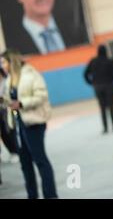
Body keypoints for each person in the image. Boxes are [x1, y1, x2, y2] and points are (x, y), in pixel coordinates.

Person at [0, 49, 58, 199]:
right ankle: (32, 195)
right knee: (25, 164)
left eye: (3, 62)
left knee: (40, 160)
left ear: (11, 61)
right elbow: (8, 100)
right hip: (18, 125)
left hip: (33, 123)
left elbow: (41, 95)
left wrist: (22, 103)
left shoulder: (30, 74)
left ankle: (50, 195)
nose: (2, 66)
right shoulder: (8, 79)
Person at [84, 45, 113, 134]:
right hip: (109, 86)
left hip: (98, 88)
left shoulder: (93, 61)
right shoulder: (109, 61)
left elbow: (85, 74)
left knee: (102, 107)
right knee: (111, 107)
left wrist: (92, 83)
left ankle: (105, 128)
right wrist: (110, 79)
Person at [0, 66, 20, 163]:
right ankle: (11, 152)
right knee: (3, 135)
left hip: (8, 111)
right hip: (1, 111)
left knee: (10, 132)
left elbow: (9, 97)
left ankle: (16, 152)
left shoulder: (7, 81)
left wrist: (3, 99)